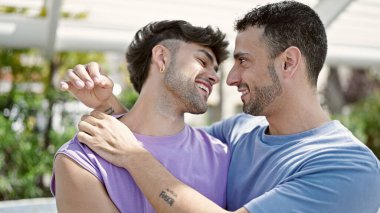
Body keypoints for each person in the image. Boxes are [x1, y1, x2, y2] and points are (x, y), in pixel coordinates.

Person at [65, 1, 380, 213]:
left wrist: (132, 156)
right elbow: (163, 137)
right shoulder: (239, 133)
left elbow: (142, 149)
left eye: (243, 61)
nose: (229, 78)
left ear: (288, 63)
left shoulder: (348, 168)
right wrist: (109, 107)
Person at [51, 20, 231, 212]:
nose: (215, 77)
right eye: (203, 61)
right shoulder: (82, 159)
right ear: (162, 58)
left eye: (215, 69)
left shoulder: (222, 155)